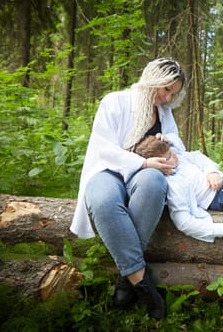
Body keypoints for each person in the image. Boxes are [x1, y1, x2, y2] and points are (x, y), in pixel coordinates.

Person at [70, 58, 188, 320]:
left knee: (154, 182)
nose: (168, 98)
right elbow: (103, 147)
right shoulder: (115, 101)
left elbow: (176, 142)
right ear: (153, 79)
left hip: (144, 175)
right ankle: (141, 282)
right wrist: (143, 161)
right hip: (108, 170)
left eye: (173, 94)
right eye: (166, 89)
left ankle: (126, 276)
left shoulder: (164, 113)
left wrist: (170, 149)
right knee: (102, 201)